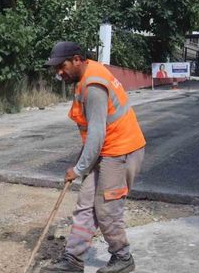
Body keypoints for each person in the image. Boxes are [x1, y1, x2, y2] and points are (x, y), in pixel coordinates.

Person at [42, 42, 146, 273]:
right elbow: (93, 135)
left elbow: (97, 134)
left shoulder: (93, 85)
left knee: (107, 207)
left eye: (62, 65)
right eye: (56, 67)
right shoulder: (85, 77)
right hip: (105, 150)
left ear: (77, 59)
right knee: (85, 205)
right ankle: (73, 260)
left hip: (121, 151)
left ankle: (123, 257)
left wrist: (78, 169)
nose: (59, 72)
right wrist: (82, 164)